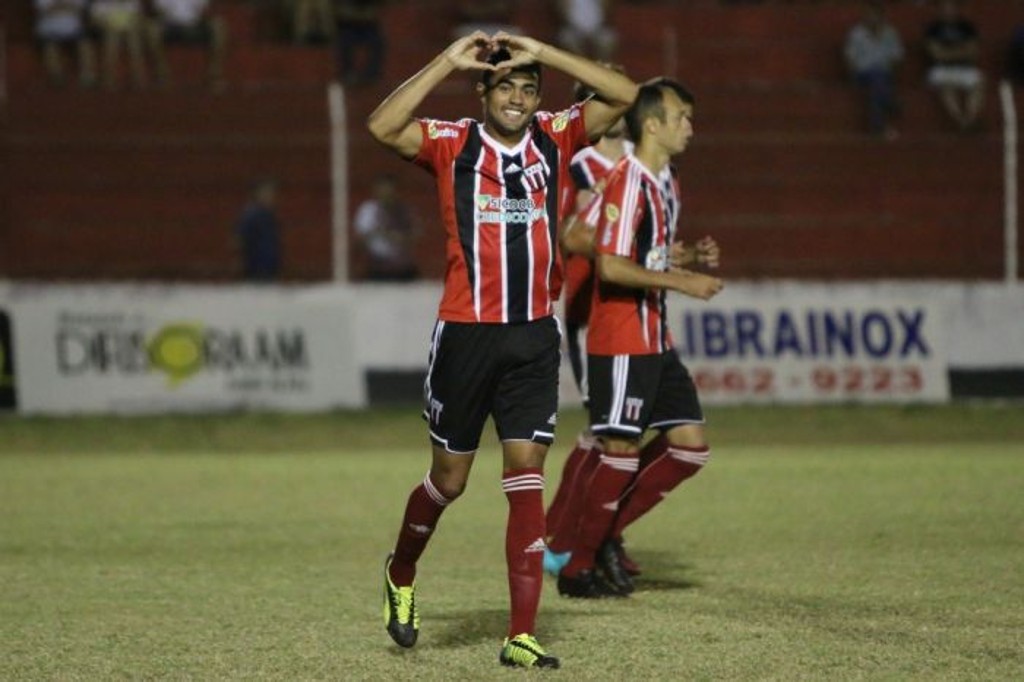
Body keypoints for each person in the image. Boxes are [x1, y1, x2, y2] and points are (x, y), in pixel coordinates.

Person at [367, 31, 637, 668]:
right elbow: (382, 126)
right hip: (466, 335)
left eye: (528, 88)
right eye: (506, 86)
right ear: (483, 93)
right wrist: (447, 60)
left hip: (532, 337)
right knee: (450, 480)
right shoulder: (452, 142)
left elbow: (625, 94)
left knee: (525, 477)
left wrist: (542, 51)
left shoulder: (556, 135)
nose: (518, 98)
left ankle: (521, 635)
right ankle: (401, 571)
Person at [544, 74, 721, 588]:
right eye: (682, 118)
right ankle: (577, 560)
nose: (690, 127)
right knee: (613, 446)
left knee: (688, 446)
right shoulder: (618, 178)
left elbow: (643, 252)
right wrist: (682, 281)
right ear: (653, 124)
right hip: (618, 335)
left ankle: (598, 536)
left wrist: (683, 257)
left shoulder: (666, 179)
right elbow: (607, 262)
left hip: (655, 337)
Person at [844, 1, 904, 139]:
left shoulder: (890, 33)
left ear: (881, 16)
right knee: (877, 78)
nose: (872, 18)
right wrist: (852, 75)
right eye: (869, 14)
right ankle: (891, 104)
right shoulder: (856, 34)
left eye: (875, 15)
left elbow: (897, 57)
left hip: (884, 73)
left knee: (878, 81)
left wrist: (891, 73)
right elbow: (849, 58)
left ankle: (878, 125)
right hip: (863, 73)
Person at [924, 0, 984, 132]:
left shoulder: (967, 27)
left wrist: (948, 53)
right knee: (946, 86)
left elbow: (973, 51)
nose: (948, 11)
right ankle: (960, 120)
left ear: (957, 9)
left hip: (964, 68)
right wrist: (961, 52)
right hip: (941, 69)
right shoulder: (933, 29)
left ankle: (970, 118)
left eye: (951, 7)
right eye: (945, 8)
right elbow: (936, 54)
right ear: (939, 10)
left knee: (979, 81)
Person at [146, 0, 228, 91]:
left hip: (195, 25)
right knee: (152, 29)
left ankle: (214, 75)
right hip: (170, 26)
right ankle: (162, 75)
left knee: (218, 25)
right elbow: (159, 12)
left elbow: (204, 11)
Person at [353, 174, 421, 282]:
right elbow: (359, 239)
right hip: (377, 268)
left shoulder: (404, 211)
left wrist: (399, 237)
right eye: (383, 189)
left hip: (403, 268)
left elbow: (416, 235)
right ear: (376, 190)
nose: (386, 193)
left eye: (389, 190)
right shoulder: (368, 210)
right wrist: (378, 233)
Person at [33, 0, 98, 89]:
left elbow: (80, 9)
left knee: (85, 43)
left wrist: (59, 6)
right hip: (48, 28)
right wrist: (68, 6)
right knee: (50, 45)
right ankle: (56, 75)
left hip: (74, 28)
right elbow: (45, 10)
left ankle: (88, 75)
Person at [89, 0, 148, 90]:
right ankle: (109, 78)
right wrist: (105, 25)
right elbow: (94, 20)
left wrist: (133, 25)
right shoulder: (101, 3)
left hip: (130, 30)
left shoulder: (133, 2)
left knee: (133, 40)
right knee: (112, 39)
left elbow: (139, 18)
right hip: (108, 30)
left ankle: (138, 77)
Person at [236, 178, 283, 281]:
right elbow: (239, 239)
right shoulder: (252, 215)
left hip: (269, 268)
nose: (270, 196)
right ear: (258, 194)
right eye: (266, 192)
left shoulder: (269, 215)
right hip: (257, 269)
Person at [333, 0, 386, 86]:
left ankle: (371, 75)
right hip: (348, 27)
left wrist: (363, 15)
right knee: (344, 41)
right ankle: (347, 73)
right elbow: (341, 12)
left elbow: (373, 12)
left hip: (368, 27)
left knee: (377, 42)